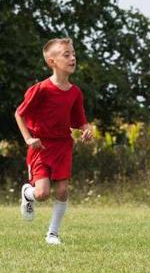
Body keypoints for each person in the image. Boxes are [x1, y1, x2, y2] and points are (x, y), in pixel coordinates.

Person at [14, 38, 93, 245]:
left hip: (63, 145)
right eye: (66, 55)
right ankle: (28, 194)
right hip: (41, 146)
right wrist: (29, 138)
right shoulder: (40, 89)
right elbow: (19, 114)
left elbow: (80, 121)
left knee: (62, 190)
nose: (72, 57)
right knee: (42, 193)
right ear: (52, 61)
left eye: (73, 53)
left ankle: (53, 234)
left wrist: (86, 130)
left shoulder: (75, 92)